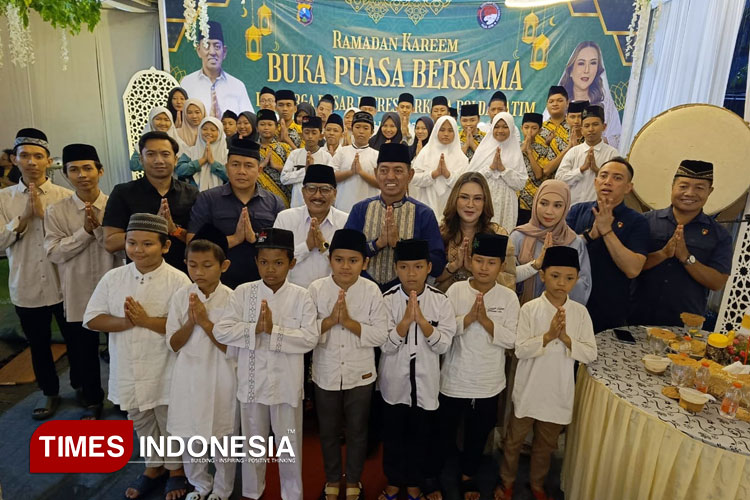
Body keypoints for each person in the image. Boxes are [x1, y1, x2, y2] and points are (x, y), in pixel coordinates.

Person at [84, 213, 192, 500]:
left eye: (147, 244)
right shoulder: (114, 277)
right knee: (140, 418)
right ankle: (153, 467)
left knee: (169, 419)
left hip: (164, 366)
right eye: (132, 243)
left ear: (165, 246)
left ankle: (176, 469)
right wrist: (128, 322)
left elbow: (184, 329)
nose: (138, 250)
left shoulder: (178, 280)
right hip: (127, 366)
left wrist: (145, 320)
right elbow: (93, 319)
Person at [213, 227, 318, 500]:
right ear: (256, 262)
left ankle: (292, 495)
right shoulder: (243, 293)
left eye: (279, 262)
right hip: (251, 385)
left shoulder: (301, 296)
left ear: (292, 263)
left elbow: (309, 339)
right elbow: (221, 331)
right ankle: (251, 492)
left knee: (289, 445)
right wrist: (253, 329)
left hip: (286, 385)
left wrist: (274, 331)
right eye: (264, 262)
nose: (270, 269)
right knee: (253, 445)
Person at [497, 246, 597, 500]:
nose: (561, 283)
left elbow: (589, 354)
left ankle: (538, 485)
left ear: (576, 279)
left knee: (545, 446)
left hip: (558, 391)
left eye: (569, 278)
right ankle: (506, 482)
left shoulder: (580, 313)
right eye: (555, 276)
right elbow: (520, 349)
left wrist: (565, 339)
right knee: (513, 441)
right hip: (529, 389)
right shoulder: (530, 309)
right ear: (542, 276)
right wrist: (549, 336)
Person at [308, 228, 388, 500]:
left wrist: (351, 323)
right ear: (330, 260)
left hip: (361, 373)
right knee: (328, 430)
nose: (345, 266)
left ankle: (354, 480)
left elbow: (381, 334)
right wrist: (330, 321)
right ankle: (332, 479)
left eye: (353, 260)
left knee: (357, 430)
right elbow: (306, 334)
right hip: (325, 372)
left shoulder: (372, 290)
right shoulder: (317, 289)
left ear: (364, 263)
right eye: (339, 259)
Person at [0, 128, 74, 420]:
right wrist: (25, 217)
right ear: (14, 160)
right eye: (25, 155)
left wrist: (45, 217)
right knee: (39, 344)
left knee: (76, 340)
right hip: (27, 284)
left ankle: (83, 386)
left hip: (64, 283)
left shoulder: (65, 196)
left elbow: (73, 239)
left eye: (38, 156)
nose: (31, 161)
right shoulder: (4, 199)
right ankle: (49, 391)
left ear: (48, 161)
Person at [44, 143, 122, 419]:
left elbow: (125, 248)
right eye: (74, 170)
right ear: (66, 175)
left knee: (120, 350)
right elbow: (53, 252)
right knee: (83, 352)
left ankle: (123, 401)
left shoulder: (116, 204)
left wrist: (99, 231)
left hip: (114, 291)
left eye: (88, 168)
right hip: (77, 291)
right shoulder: (57, 211)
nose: (82, 175)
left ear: (100, 171)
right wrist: (84, 233)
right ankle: (93, 400)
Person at [440, 233, 519, 500]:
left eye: (491, 262)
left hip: (488, 381)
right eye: (479, 260)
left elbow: (513, 340)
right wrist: (468, 318)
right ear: (470, 261)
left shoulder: (508, 298)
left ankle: (468, 476)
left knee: (478, 432)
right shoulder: (456, 290)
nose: (484, 268)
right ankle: (437, 475)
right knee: (445, 431)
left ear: (500, 266)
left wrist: (486, 322)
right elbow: (443, 332)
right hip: (454, 377)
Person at [378, 239, 456, 500]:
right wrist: (404, 323)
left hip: (426, 385)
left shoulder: (440, 301)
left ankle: (413, 483)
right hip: (393, 384)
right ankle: (393, 481)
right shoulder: (386, 301)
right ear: (396, 268)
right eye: (404, 267)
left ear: (429, 267)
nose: (411, 274)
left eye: (418, 267)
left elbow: (443, 345)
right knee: (393, 438)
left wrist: (422, 322)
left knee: (420, 438)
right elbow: (385, 347)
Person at [166, 226, 236, 500]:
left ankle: (222, 489)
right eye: (193, 265)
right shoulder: (181, 297)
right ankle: (200, 485)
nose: (199, 272)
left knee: (223, 437)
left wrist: (206, 323)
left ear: (224, 266)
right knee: (189, 434)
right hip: (189, 375)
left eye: (207, 265)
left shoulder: (233, 299)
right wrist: (190, 321)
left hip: (221, 377)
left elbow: (231, 347)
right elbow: (173, 343)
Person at [631, 160, 731, 326]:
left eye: (699, 188)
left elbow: (717, 282)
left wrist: (686, 257)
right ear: (672, 187)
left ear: (710, 191)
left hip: (684, 326)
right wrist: (662, 254)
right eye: (683, 186)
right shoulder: (645, 222)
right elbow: (629, 267)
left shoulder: (719, 235)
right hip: (634, 317)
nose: (690, 193)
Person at [345, 143, 446, 291]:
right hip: (362, 293)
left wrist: (399, 245)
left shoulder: (424, 214)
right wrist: (377, 244)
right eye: (384, 170)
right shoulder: (360, 210)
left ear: (410, 175)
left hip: (406, 296)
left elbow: (436, 265)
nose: (390, 177)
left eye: (398, 171)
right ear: (375, 173)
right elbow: (346, 254)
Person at [187, 138, 285, 289]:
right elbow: (192, 243)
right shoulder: (208, 199)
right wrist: (234, 239)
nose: (241, 171)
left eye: (248, 166)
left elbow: (282, 247)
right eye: (235, 165)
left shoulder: (274, 202)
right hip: (218, 286)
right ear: (227, 168)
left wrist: (255, 239)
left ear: (259, 170)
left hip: (263, 285)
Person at [566, 158, 649, 332]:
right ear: (596, 182)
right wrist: (590, 235)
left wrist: (606, 231)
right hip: (569, 301)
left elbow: (633, 269)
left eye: (617, 178)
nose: (608, 182)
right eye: (603, 176)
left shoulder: (637, 221)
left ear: (628, 187)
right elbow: (559, 253)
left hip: (610, 309)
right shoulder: (577, 210)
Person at [103, 131, 197, 272]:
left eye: (165, 154)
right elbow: (110, 242)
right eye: (151, 154)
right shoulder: (123, 193)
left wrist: (174, 230)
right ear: (141, 159)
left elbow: (199, 241)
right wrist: (149, 229)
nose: (159, 160)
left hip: (184, 274)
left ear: (176, 159)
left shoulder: (191, 193)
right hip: (140, 275)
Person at [512, 179, 591, 305]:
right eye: (543, 203)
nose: (549, 211)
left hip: (560, 316)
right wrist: (535, 265)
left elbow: (583, 286)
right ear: (535, 202)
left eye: (557, 205)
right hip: (520, 314)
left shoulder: (574, 242)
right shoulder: (519, 236)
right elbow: (505, 276)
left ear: (566, 208)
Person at [435, 171, 516, 293]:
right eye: (464, 197)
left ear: (485, 202)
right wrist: (454, 266)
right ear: (455, 199)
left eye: (477, 198)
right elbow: (426, 279)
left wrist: (474, 269)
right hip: (445, 306)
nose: (470, 204)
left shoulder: (498, 235)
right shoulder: (440, 233)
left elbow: (509, 283)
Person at [274, 164, 348, 288]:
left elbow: (348, 263)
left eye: (324, 189)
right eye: (311, 189)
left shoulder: (345, 221)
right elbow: (276, 259)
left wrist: (323, 245)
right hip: (294, 296)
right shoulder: (285, 219)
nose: (317, 196)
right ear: (303, 192)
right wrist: (307, 246)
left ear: (334, 193)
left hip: (332, 295)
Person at [468, 112, 528, 231]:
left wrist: (503, 170)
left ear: (511, 128)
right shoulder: (483, 150)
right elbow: (470, 179)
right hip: (483, 200)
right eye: (497, 126)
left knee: (502, 238)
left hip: (506, 204)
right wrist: (490, 168)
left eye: (505, 127)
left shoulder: (515, 152)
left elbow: (521, 183)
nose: (500, 130)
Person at [180, 21, 253, 117]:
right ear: (198, 50)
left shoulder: (237, 86)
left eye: (217, 46)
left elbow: (249, 121)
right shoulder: (187, 83)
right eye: (206, 46)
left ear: (224, 51)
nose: (212, 52)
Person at [558, 41, 622, 148]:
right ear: (570, 71)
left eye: (593, 63)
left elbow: (618, 140)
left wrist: (592, 141)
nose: (586, 70)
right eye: (581, 63)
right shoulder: (558, 104)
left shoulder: (606, 106)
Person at [555, 105, 618, 205]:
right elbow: (559, 180)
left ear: (604, 127)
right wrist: (581, 169)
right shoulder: (573, 152)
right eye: (587, 126)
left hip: (599, 210)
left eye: (595, 124)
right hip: (572, 210)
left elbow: (616, 183)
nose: (591, 129)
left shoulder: (612, 153)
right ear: (582, 129)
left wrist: (597, 171)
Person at [411, 116, 469, 220]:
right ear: (436, 131)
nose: (446, 134)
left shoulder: (462, 159)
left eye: (450, 130)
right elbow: (413, 178)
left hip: (452, 209)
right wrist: (433, 174)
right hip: (427, 205)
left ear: (455, 132)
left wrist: (448, 175)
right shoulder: (425, 153)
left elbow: (465, 186)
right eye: (442, 130)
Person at [331, 111, 379, 213]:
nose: (361, 131)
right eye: (357, 127)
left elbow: (381, 183)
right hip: (343, 208)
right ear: (352, 130)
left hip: (369, 210)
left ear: (372, 132)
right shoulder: (342, 152)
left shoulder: (377, 155)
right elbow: (329, 177)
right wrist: (350, 172)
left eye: (366, 128)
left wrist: (361, 173)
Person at [281, 116, 333, 208]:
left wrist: (311, 173)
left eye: (314, 133)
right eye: (307, 132)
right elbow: (284, 178)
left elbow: (330, 183)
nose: (310, 136)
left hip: (319, 206)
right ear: (301, 135)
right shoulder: (294, 154)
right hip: (297, 206)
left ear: (321, 136)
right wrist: (304, 171)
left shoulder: (326, 157)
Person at [517, 112, 554, 225]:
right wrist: (521, 150)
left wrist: (529, 152)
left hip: (532, 201)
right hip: (515, 199)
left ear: (540, 130)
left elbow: (539, 175)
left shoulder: (544, 149)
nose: (529, 131)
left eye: (534, 128)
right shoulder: (514, 147)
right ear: (521, 128)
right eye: (526, 127)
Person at [176, 116, 229, 191]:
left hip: (221, 195)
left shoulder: (227, 154)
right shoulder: (190, 151)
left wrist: (213, 163)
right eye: (204, 129)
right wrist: (201, 161)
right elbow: (180, 171)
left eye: (213, 130)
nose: (208, 132)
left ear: (220, 132)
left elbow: (232, 176)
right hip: (194, 195)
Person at [130, 107, 188, 172]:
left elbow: (184, 167)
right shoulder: (144, 142)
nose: (162, 123)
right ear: (151, 121)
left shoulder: (179, 143)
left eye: (166, 120)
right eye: (158, 119)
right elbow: (134, 165)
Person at [256, 108, 293, 206]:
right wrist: (262, 165)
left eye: (270, 124)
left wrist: (276, 166)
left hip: (283, 199)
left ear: (276, 127)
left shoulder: (285, 148)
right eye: (262, 124)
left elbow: (293, 173)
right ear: (256, 128)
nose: (266, 128)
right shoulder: (252, 149)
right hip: (258, 200)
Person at [534, 86, 571, 179]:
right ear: (547, 105)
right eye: (551, 101)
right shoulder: (539, 130)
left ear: (567, 103)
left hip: (572, 179)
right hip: (545, 182)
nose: (555, 104)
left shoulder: (574, 128)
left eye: (559, 100)